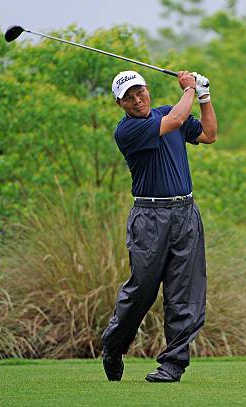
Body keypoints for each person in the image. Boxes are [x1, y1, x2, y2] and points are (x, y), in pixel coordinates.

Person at [101, 70, 217, 383]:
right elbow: (178, 121)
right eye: (129, 97)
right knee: (142, 291)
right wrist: (190, 89)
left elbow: (208, 134)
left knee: (185, 293)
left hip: (185, 213)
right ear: (119, 104)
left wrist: (204, 96)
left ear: (147, 90)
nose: (137, 99)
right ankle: (113, 346)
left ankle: (173, 365)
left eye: (140, 92)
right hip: (150, 218)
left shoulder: (167, 111)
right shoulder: (128, 131)